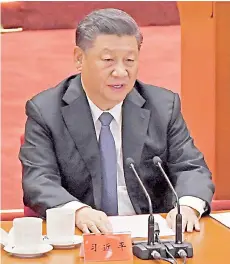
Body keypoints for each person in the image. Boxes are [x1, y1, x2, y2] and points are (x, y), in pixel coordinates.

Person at [19, 8, 215, 234]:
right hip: (85, 238)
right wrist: (78, 212)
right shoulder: (46, 111)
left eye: (130, 60)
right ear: (79, 59)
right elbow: (38, 180)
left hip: (153, 237)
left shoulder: (163, 106)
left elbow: (191, 167)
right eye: (108, 60)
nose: (121, 72)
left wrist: (188, 206)